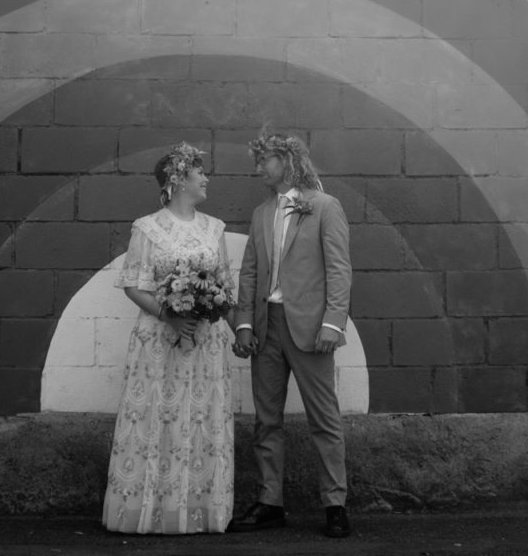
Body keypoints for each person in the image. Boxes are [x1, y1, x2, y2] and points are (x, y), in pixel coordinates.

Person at [101, 142, 237, 534]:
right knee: (159, 420)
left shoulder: (215, 229)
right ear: (178, 180)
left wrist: (236, 330)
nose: (206, 178)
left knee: (198, 423)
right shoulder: (147, 228)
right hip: (160, 341)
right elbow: (133, 284)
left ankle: (198, 509)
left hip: (205, 346)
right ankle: (151, 509)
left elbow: (224, 287)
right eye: (199, 173)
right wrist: (170, 317)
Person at [229, 131, 354, 538]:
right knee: (266, 421)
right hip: (267, 328)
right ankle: (270, 503)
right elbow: (249, 271)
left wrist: (333, 323)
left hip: (312, 328)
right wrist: (244, 323)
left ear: (287, 160)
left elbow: (339, 268)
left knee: (324, 419)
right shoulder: (261, 213)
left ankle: (335, 505)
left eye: (266, 159)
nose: (259, 167)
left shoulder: (325, 206)